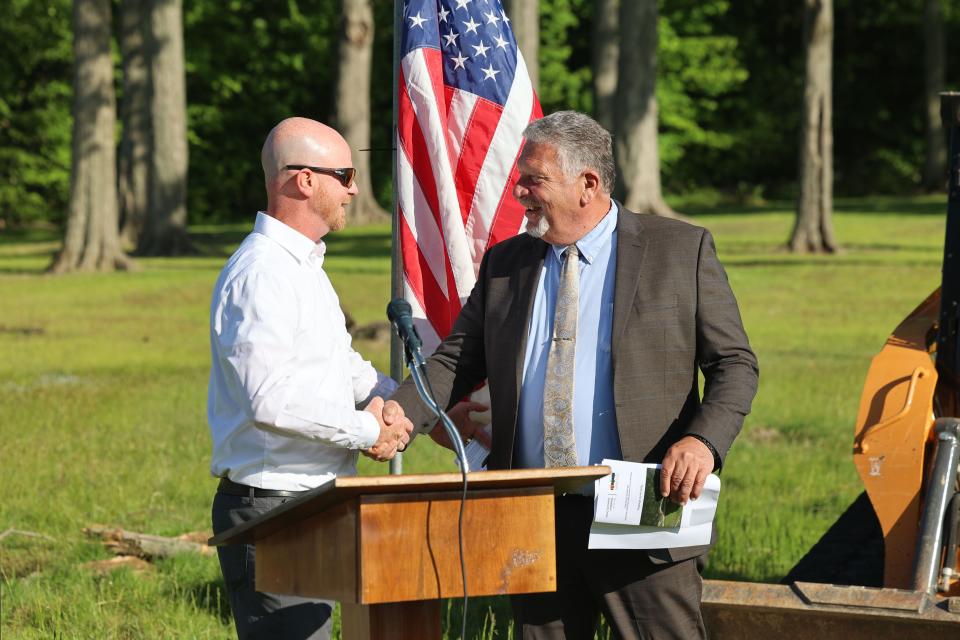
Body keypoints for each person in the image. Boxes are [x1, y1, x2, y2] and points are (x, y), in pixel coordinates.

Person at [390, 111, 759, 639]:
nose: (518, 192)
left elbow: (735, 365)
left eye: (533, 179)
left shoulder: (679, 249)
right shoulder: (506, 265)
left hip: (644, 500)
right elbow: (455, 360)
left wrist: (703, 442)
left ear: (588, 184)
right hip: (533, 509)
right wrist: (399, 411)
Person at [207, 117, 413, 639]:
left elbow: (340, 366)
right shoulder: (263, 272)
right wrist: (369, 432)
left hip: (313, 499)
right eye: (343, 174)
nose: (355, 188)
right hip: (273, 507)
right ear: (303, 180)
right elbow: (270, 399)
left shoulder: (302, 266)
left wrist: (409, 405)